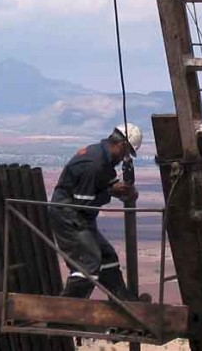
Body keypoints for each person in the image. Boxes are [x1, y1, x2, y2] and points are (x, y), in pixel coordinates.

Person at [49, 123, 143, 300]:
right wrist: (111, 192)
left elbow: (105, 183)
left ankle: (123, 305)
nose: (125, 158)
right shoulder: (94, 164)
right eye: (126, 152)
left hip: (80, 217)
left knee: (108, 258)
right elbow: (84, 202)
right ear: (121, 145)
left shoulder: (103, 159)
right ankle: (62, 316)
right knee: (88, 267)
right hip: (69, 216)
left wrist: (123, 190)